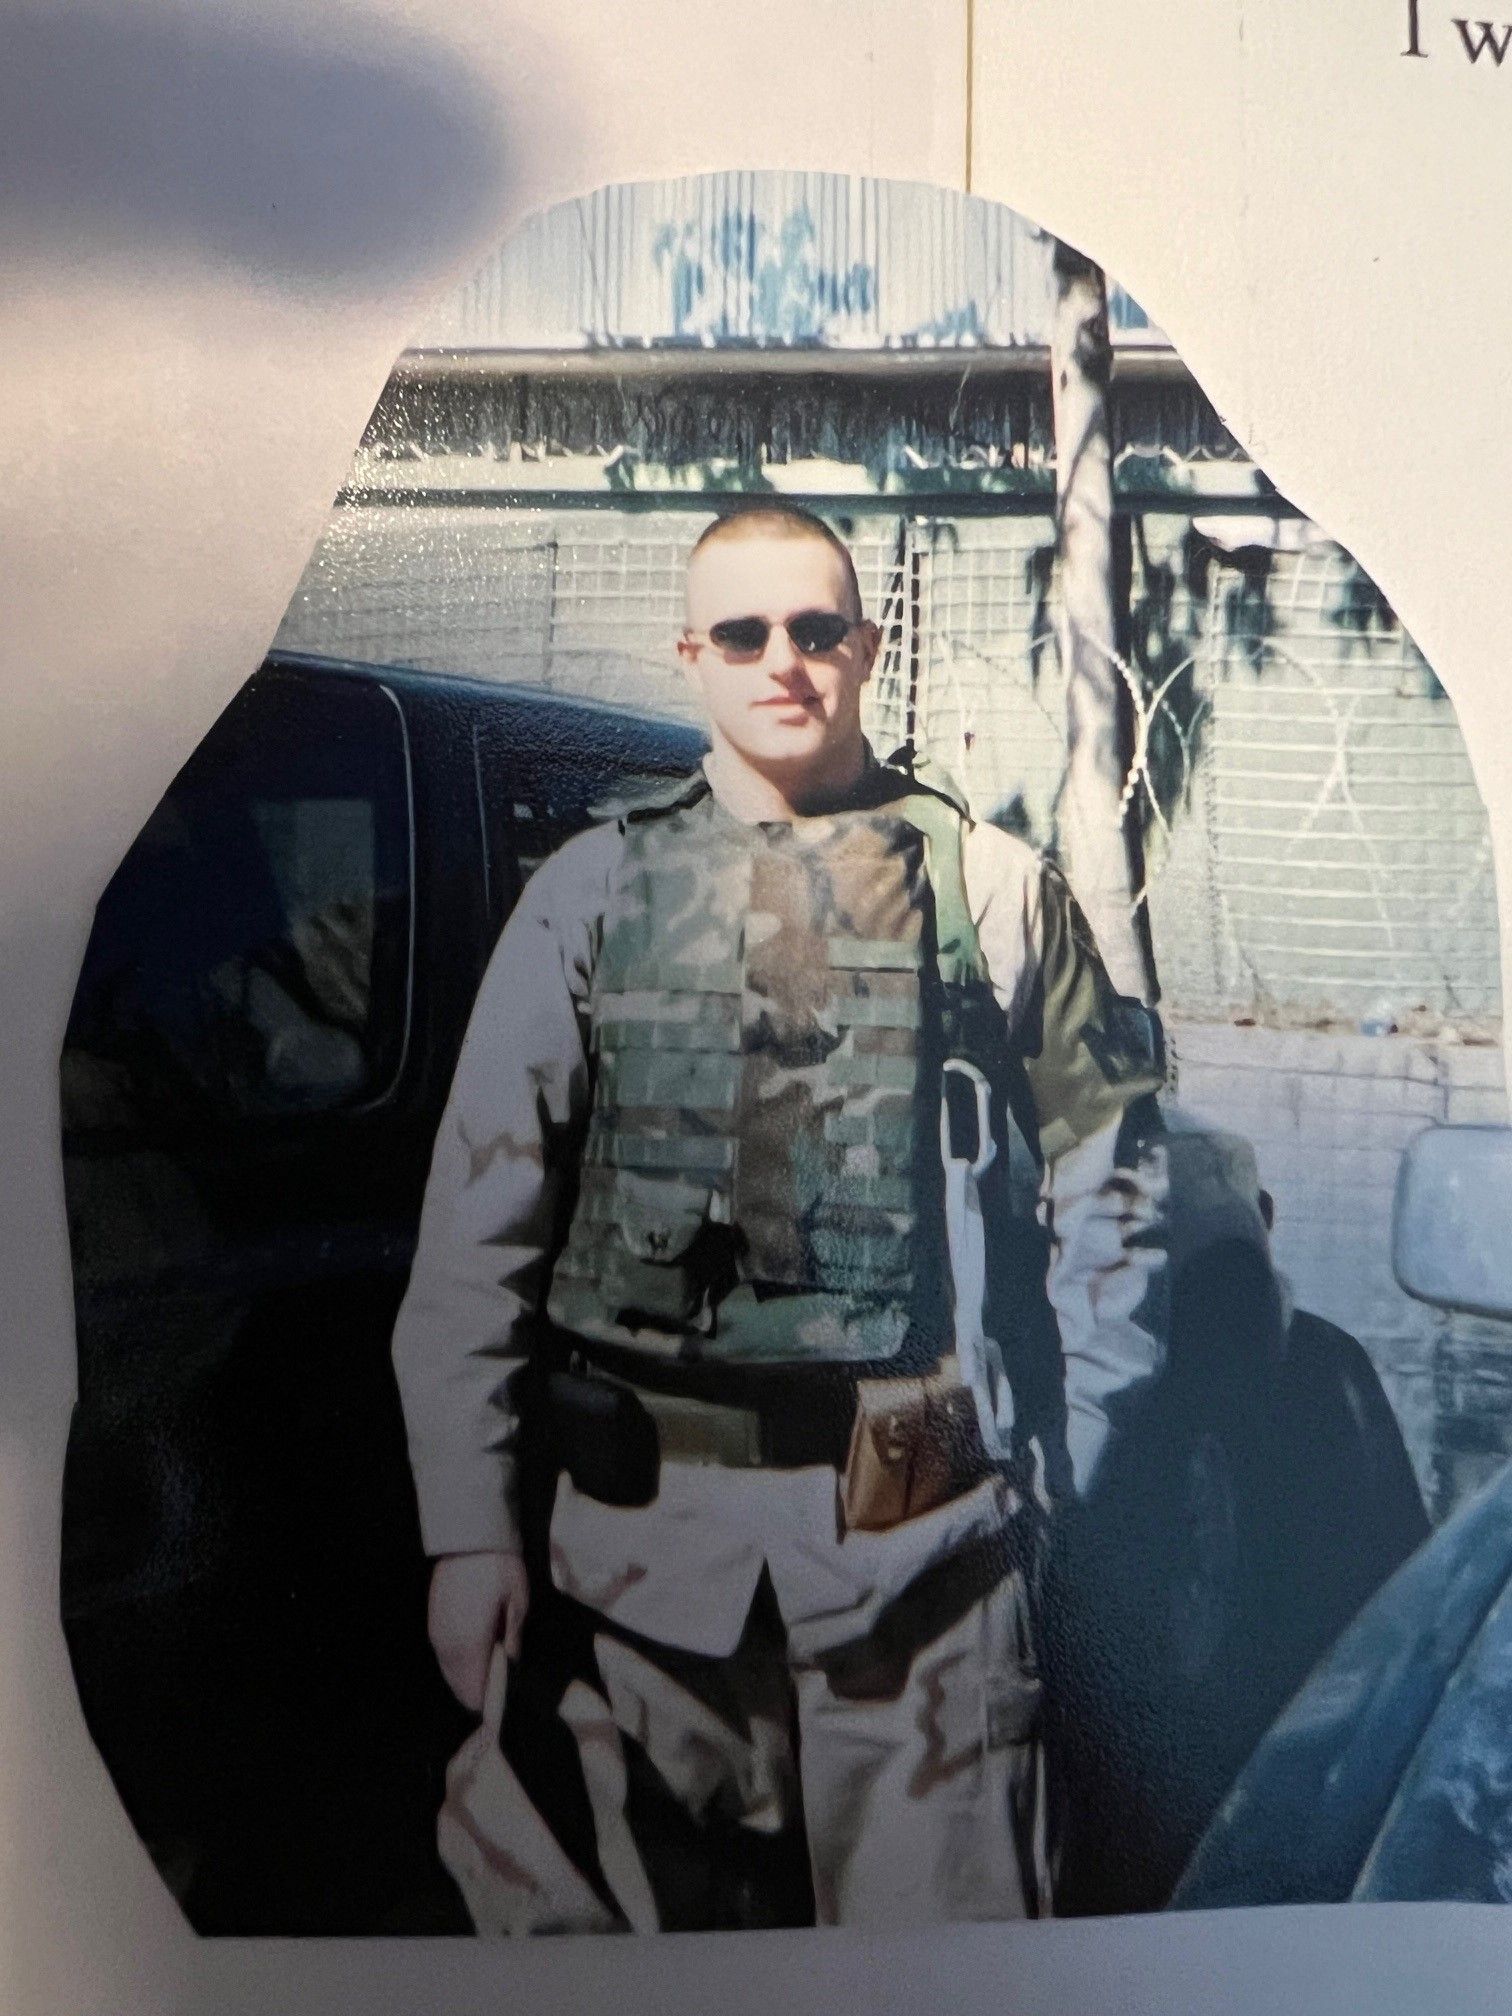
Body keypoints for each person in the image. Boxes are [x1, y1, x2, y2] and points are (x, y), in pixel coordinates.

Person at [391, 503, 1169, 1932]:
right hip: (630, 1574)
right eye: (743, 633)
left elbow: (1115, 1188)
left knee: (945, 1971)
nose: (784, 663)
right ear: (691, 653)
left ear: (866, 647)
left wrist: (1076, 1481)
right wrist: (468, 1533)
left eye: (817, 630)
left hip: (922, 1566)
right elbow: (478, 1234)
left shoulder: (987, 892)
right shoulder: (591, 893)